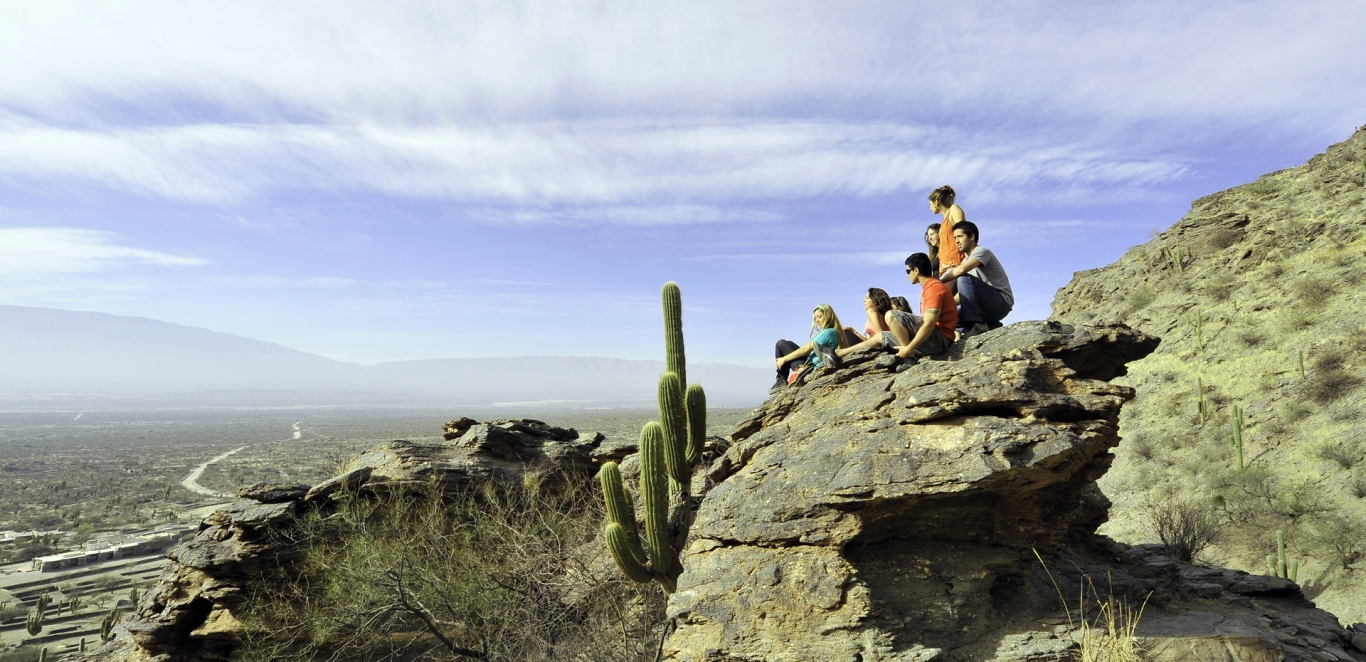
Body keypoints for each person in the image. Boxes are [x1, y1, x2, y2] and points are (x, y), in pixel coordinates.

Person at [939, 220, 1013, 337]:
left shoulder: (982, 252)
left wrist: (936, 282)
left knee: (961, 277)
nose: (956, 241)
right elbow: (966, 293)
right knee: (944, 319)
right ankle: (989, 325)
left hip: (1001, 303)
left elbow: (960, 271)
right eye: (955, 238)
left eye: (960, 236)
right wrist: (946, 309)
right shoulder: (965, 261)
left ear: (972, 236)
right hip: (984, 308)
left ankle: (976, 325)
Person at [884, 253, 957, 370]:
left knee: (891, 315)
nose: (907, 275)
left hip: (940, 339)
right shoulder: (927, 289)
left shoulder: (934, 288)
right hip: (935, 338)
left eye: (908, 271)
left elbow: (929, 324)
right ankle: (844, 353)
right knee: (884, 336)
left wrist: (909, 349)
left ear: (916, 270)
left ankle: (910, 358)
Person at [774, 303, 849, 389]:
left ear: (828, 316)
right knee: (787, 343)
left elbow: (806, 350)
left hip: (810, 369)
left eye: (819, 317)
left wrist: (784, 359)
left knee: (781, 344)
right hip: (811, 364)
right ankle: (781, 379)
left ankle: (781, 379)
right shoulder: (832, 331)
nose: (817, 320)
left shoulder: (828, 332)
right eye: (815, 318)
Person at [930, 186, 967, 291]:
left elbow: (964, 231)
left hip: (956, 265)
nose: (930, 208)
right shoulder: (943, 223)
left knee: (945, 304)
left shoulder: (954, 209)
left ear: (936, 202)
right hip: (945, 271)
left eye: (930, 204)